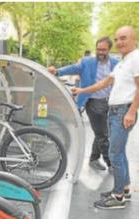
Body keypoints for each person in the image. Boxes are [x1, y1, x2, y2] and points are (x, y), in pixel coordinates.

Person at [72, 26, 139, 209]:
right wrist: (82, 90)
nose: (119, 42)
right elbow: (104, 83)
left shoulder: (136, 58)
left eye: (123, 38)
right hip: (116, 110)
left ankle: (117, 197)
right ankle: (124, 189)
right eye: (117, 39)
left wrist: (132, 111)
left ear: (134, 38)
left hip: (123, 111)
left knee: (114, 154)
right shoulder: (123, 62)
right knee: (119, 152)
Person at [48, 37, 119, 171]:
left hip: (110, 102)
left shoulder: (116, 63)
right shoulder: (87, 62)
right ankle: (112, 165)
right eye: (98, 49)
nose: (100, 52)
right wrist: (56, 71)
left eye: (103, 50)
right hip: (92, 101)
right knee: (103, 135)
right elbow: (72, 68)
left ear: (109, 50)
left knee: (102, 132)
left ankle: (93, 159)